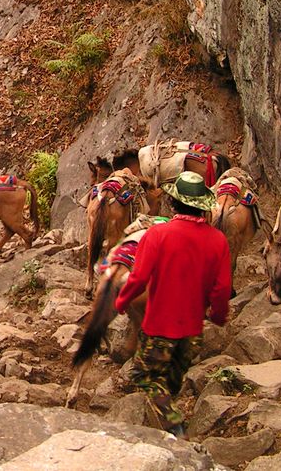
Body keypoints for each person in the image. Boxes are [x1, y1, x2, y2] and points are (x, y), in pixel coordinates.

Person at [113, 170, 231, 437]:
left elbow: (139, 277)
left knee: (144, 376)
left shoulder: (157, 235)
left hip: (159, 329)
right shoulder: (218, 241)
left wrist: (122, 300)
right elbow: (222, 288)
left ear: (173, 203)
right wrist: (219, 316)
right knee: (172, 380)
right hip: (193, 331)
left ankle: (173, 426)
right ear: (202, 205)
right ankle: (168, 416)